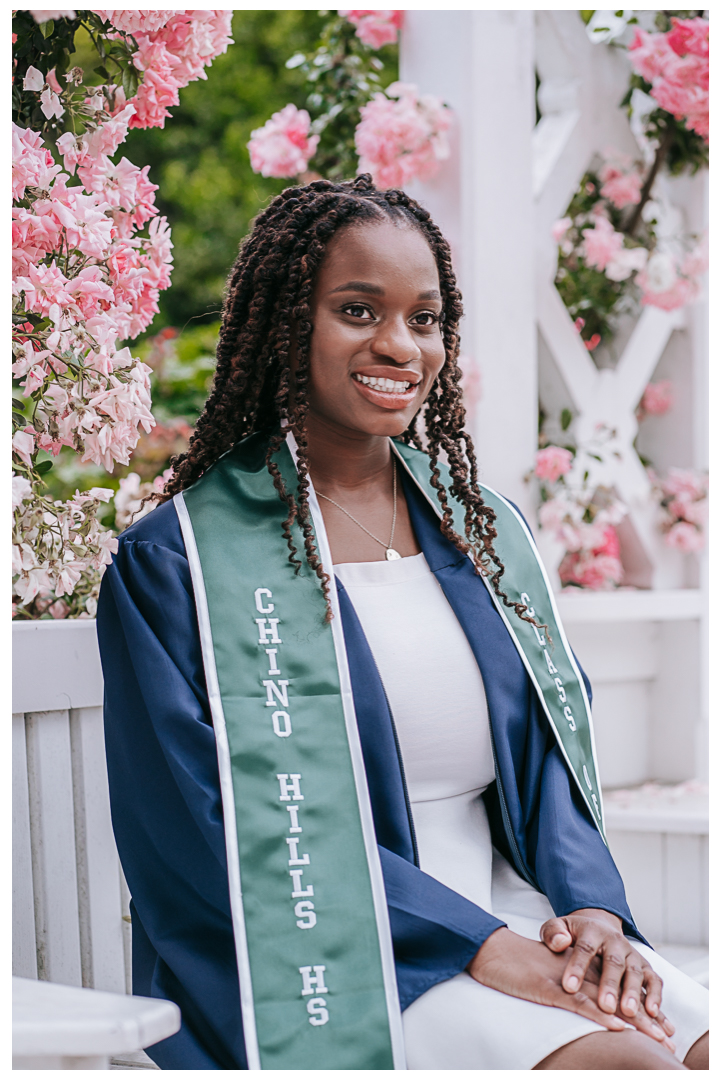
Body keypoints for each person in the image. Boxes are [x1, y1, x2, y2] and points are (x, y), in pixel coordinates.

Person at [97, 176, 708, 1071]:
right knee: (629, 1066)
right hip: (333, 952)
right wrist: (477, 947)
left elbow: (546, 765)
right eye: (357, 310)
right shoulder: (181, 562)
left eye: (424, 319)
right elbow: (199, 833)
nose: (400, 345)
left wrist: (593, 918)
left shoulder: (482, 530)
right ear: (285, 324)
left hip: (519, 920)